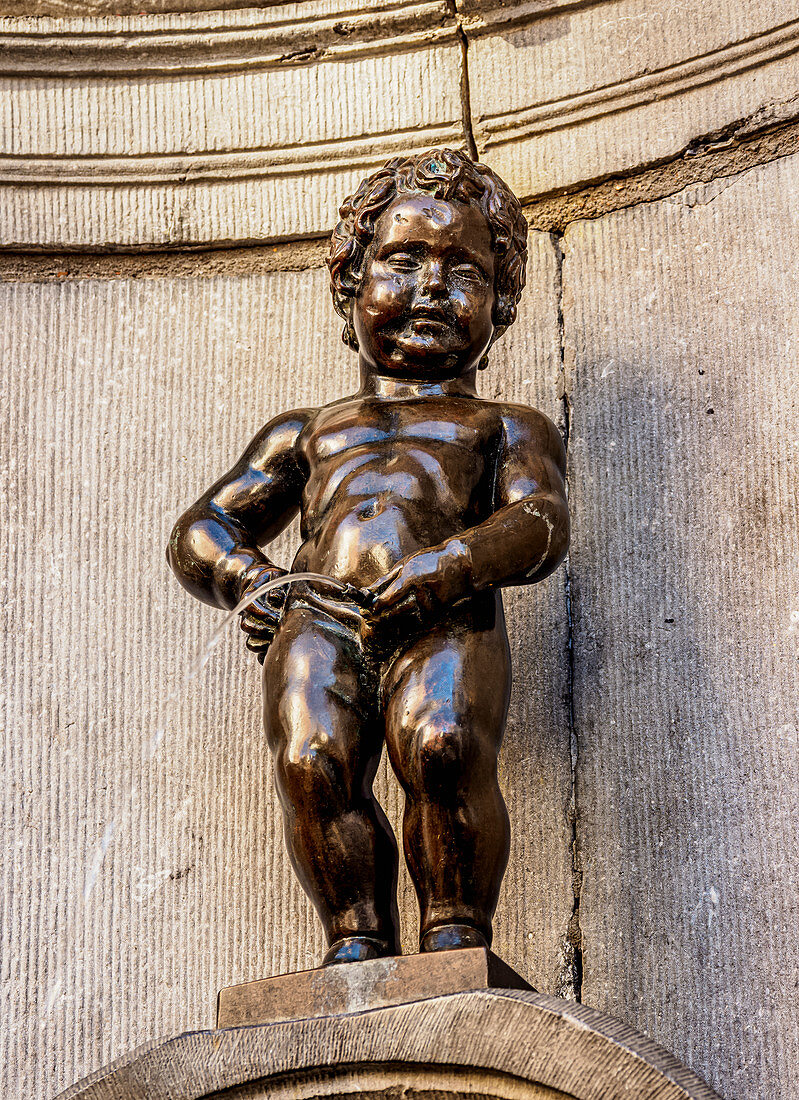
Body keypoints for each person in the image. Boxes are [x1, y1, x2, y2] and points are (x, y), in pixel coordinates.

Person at [167, 148, 569, 965]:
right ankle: (354, 939)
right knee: (311, 761)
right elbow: (203, 527)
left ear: (501, 305)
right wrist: (254, 582)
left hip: (445, 610)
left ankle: (455, 933)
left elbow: (538, 521)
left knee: (443, 745)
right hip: (319, 617)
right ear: (350, 281)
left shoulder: (502, 424)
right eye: (404, 260)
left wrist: (449, 567)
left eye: (465, 272)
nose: (431, 289)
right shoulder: (308, 431)